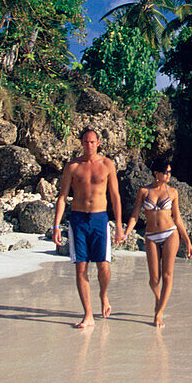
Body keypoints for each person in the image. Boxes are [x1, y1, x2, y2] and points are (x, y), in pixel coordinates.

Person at [53, 127, 124, 329]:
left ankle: (103, 295)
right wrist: (57, 225)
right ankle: (88, 314)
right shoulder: (72, 167)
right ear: (81, 143)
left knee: (103, 265)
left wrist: (118, 226)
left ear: (98, 142)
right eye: (85, 142)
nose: (89, 145)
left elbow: (115, 197)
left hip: (100, 218)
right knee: (81, 267)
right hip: (78, 219)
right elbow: (62, 196)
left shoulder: (107, 165)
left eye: (92, 142)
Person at [123, 157, 192, 327]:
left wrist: (187, 241)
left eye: (169, 172)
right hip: (151, 236)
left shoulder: (173, 192)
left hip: (170, 234)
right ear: (156, 173)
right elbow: (135, 215)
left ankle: (159, 313)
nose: (168, 175)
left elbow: (177, 218)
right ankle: (159, 299)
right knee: (154, 280)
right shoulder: (143, 191)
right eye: (165, 172)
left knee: (167, 275)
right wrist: (126, 233)